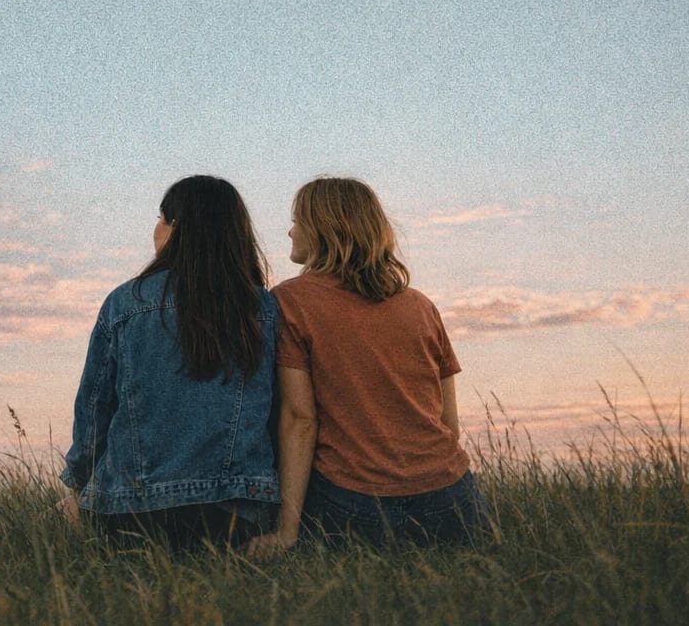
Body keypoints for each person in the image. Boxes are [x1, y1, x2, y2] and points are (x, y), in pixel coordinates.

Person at [248, 176, 490, 554]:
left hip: (357, 503)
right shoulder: (422, 306)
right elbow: (448, 423)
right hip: (453, 499)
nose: (289, 231)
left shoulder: (290, 302)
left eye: (297, 220)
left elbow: (300, 419)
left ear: (323, 228)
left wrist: (287, 530)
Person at [57, 175, 279, 552]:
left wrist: (77, 484)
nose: (155, 229)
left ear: (176, 228)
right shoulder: (262, 308)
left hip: (132, 513)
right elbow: (278, 410)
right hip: (233, 516)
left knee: (67, 513)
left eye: (161, 218)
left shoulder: (125, 303)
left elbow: (94, 411)